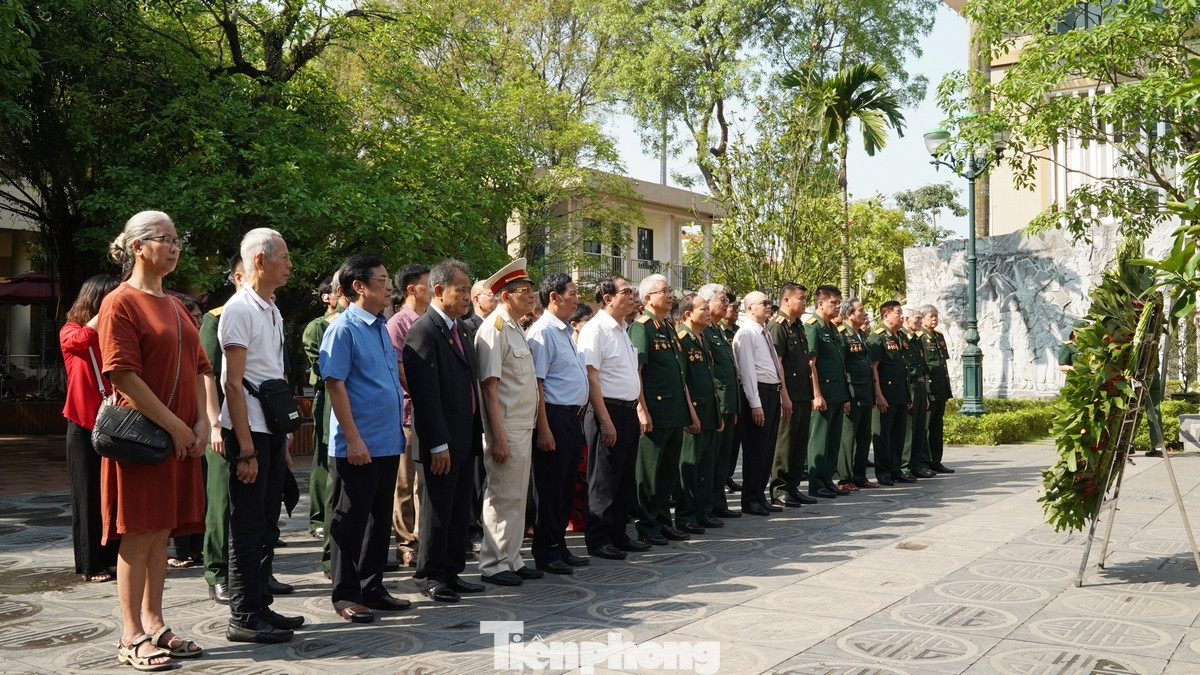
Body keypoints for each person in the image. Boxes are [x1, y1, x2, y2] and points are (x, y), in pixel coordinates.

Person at [98, 210, 209, 670]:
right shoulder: (119, 302)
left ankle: (156, 623)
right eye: (164, 238)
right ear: (137, 247)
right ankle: (130, 635)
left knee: (160, 532)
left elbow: (202, 367)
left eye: (177, 238)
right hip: (145, 438)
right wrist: (176, 425)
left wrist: (202, 423)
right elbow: (122, 373)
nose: (174, 246)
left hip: (180, 437)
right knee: (138, 533)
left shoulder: (177, 304)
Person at [216, 229, 303, 643]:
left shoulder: (271, 307)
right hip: (246, 431)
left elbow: (272, 375)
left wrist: (281, 442)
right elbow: (233, 384)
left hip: (269, 430)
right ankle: (244, 615)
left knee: (267, 522)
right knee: (247, 525)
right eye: (283, 257)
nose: (290, 264)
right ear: (259, 261)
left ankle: (261, 603)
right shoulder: (239, 310)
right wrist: (246, 449)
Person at [320, 253, 411, 622]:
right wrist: (354, 439)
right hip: (358, 444)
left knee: (378, 519)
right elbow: (335, 384)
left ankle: (373, 586)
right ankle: (346, 593)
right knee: (350, 518)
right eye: (382, 278)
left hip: (387, 440)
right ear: (359, 286)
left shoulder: (379, 326)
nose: (389, 285)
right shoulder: (343, 328)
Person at [403, 259, 487, 603]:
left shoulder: (462, 328)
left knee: (457, 511)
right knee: (437, 511)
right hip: (440, 440)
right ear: (439, 291)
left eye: (469, 289)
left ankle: (451, 571)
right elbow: (425, 396)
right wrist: (437, 443)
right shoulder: (423, 331)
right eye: (462, 289)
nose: (468, 296)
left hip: (464, 435)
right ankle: (430, 574)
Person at [473, 258, 543, 586]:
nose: (531, 295)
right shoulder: (494, 328)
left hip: (522, 424)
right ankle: (493, 562)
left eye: (531, 290)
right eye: (523, 291)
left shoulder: (515, 327)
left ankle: (512, 557)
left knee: (517, 496)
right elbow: (490, 387)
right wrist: (496, 434)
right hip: (507, 426)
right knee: (502, 495)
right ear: (505, 296)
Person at [577, 276, 651, 560]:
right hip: (605, 409)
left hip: (627, 409)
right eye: (627, 292)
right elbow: (592, 377)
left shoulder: (623, 329)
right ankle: (598, 538)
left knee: (623, 477)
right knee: (603, 478)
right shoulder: (596, 329)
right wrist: (605, 420)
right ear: (607, 298)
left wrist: (638, 410)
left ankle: (619, 533)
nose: (633, 296)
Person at [526, 272, 591, 575]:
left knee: (565, 486)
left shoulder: (564, 331)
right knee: (550, 487)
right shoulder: (543, 333)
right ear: (554, 297)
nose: (576, 299)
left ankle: (559, 546)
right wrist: (544, 428)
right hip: (553, 415)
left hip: (572, 417)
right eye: (572, 293)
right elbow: (537, 383)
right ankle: (545, 550)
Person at [629, 274, 701, 544]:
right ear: (648, 298)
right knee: (650, 472)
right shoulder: (642, 327)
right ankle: (646, 524)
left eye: (670, 290)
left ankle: (662, 520)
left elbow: (680, 373)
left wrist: (689, 411)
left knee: (667, 471)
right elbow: (636, 371)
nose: (670, 295)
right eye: (664, 291)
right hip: (655, 412)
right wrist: (641, 410)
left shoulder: (668, 327)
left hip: (674, 411)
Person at [60, 273, 121, 583]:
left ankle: (112, 558)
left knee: (113, 496)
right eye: (108, 299)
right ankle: (90, 563)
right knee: (86, 496)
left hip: (113, 424)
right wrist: (106, 311)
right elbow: (79, 340)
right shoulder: (71, 331)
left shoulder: (113, 335)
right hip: (83, 425)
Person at [199, 256, 252, 605]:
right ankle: (217, 572)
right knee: (220, 502)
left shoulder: (268, 313)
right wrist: (215, 424)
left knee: (255, 504)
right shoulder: (216, 317)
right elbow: (206, 374)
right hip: (224, 422)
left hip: (255, 422)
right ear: (238, 276)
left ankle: (254, 573)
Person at [386, 263, 431, 568]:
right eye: (429, 283)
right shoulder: (399, 324)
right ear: (412, 289)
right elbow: (401, 371)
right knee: (405, 483)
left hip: (431, 413)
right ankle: (406, 542)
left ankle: (425, 537)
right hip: (408, 413)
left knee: (425, 483)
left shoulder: (431, 321)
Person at [732, 290, 791, 516]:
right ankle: (750, 499)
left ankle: (760, 494)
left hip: (771, 392)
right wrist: (755, 404)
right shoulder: (746, 333)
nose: (769, 305)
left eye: (769, 302)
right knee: (756, 450)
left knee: (767, 449)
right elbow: (747, 372)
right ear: (750, 309)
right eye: (763, 303)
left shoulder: (763, 332)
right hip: (758, 394)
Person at [673, 292, 724, 532]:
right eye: (702, 309)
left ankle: (703, 511)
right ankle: (686, 515)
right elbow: (682, 380)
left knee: (706, 465)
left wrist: (717, 413)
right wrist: (689, 412)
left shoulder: (702, 338)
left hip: (709, 411)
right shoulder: (682, 339)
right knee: (690, 465)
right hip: (694, 412)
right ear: (687, 314)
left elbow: (710, 378)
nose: (707, 312)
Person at [768, 283, 816, 508]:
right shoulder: (778, 326)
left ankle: (793, 486)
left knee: (799, 443)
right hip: (789, 394)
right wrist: (783, 396)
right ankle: (779, 489)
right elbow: (778, 365)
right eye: (801, 298)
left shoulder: (798, 325)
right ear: (786, 300)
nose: (805, 302)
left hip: (803, 392)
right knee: (785, 443)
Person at [168, 294, 206, 570]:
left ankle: (194, 547)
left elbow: (203, 371)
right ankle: (176, 549)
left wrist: (204, 420)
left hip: (194, 423)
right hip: (167, 425)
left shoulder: (195, 340)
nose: (196, 321)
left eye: (198, 317)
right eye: (193, 316)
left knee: (195, 491)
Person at [697, 284, 741, 520]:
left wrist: (733, 405)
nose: (726, 304)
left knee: (723, 459)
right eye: (722, 300)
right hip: (714, 405)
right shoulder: (703, 331)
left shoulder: (718, 331)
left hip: (726, 404)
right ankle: (705, 506)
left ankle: (717, 503)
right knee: (710, 460)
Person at [805, 285, 851, 498]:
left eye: (838, 302)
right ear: (820, 303)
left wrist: (844, 396)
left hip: (836, 393)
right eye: (833, 302)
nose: (837, 306)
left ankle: (827, 480)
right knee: (819, 440)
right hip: (822, 394)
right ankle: (816, 483)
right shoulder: (813, 327)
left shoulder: (832, 328)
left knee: (833, 440)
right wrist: (816, 394)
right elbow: (811, 363)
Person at [301, 276, 338, 543]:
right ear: (327, 297)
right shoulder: (317, 327)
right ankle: (318, 517)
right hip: (326, 395)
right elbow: (319, 367)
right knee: (323, 458)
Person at [868, 301, 911, 486]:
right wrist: (878, 395)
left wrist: (908, 395)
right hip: (885, 393)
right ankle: (883, 472)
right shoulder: (877, 338)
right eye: (898, 313)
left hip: (901, 393)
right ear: (886, 316)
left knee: (899, 434)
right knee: (883, 435)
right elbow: (873, 368)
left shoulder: (902, 336)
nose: (902, 316)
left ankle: (896, 469)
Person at [837, 298, 878, 490]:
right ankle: (845, 478)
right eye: (860, 310)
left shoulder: (861, 334)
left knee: (863, 437)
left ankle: (860, 476)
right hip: (852, 393)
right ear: (849, 314)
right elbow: (841, 367)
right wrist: (845, 395)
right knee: (848, 437)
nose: (864, 313)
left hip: (865, 392)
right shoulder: (841, 334)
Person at [900, 306, 936, 480]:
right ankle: (905, 465)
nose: (920, 322)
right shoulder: (901, 339)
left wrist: (927, 394)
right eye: (917, 319)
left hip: (921, 386)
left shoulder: (917, 339)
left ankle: (918, 464)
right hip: (911, 386)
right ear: (907, 320)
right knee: (909, 430)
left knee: (920, 428)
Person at [919, 305, 955, 474]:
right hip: (929, 389)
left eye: (936, 316)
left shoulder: (939, 336)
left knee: (937, 426)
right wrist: (925, 391)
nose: (934, 319)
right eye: (930, 316)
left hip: (940, 388)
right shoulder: (919, 337)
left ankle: (936, 460)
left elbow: (942, 364)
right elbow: (923, 366)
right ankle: (924, 461)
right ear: (923, 318)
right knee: (925, 426)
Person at [720, 290, 742, 493]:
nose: (735, 311)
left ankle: (728, 475)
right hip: (722, 397)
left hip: (736, 392)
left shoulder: (737, 330)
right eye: (732, 307)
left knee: (733, 442)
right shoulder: (718, 330)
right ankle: (722, 478)